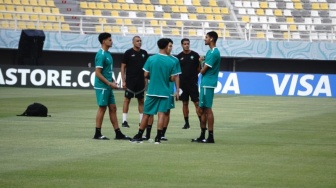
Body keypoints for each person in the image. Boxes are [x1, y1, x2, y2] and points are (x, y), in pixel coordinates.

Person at [130, 38, 180, 144]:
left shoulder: (151, 59)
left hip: (152, 91)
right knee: (161, 114)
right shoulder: (172, 61)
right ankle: (158, 137)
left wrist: (154, 77)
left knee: (146, 114)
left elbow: (145, 75)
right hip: (165, 92)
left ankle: (139, 135)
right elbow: (172, 78)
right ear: (167, 46)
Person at [93, 32, 130, 140]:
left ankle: (118, 133)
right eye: (109, 39)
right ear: (103, 41)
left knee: (113, 108)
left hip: (108, 85)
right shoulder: (101, 54)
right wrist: (109, 83)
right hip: (102, 86)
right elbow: (98, 73)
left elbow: (107, 71)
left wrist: (112, 80)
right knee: (102, 108)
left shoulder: (108, 54)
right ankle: (97, 133)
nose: (111, 41)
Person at [191, 31, 220, 144]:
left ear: (211, 39)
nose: (205, 39)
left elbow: (202, 71)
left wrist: (200, 62)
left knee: (208, 110)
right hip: (204, 83)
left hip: (208, 83)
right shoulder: (209, 52)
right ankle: (203, 135)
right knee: (201, 109)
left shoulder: (214, 53)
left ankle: (211, 136)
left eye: (206, 37)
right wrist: (202, 62)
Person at [120, 36, 149, 128]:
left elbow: (147, 68)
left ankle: (141, 121)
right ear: (133, 42)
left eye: (140, 41)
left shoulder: (144, 53)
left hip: (140, 81)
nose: (139, 42)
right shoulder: (128, 53)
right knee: (127, 100)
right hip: (130, 80)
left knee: (141, 100)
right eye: (137, 41)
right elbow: (123, 67)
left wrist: (146, 80)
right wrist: (123, 81)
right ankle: (124, 121)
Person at [176, 38, 202, 129]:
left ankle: (201, 122)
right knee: (185, 103)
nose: (186, 45)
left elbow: (198, 69)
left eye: (188, 43)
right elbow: (177, 72)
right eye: (185, 44)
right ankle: (186, 123)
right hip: (183, 84)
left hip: (193, 83)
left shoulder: (195, 55)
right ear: (182, 45)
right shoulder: (178, 57)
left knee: (197, 103)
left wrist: (193, 77)